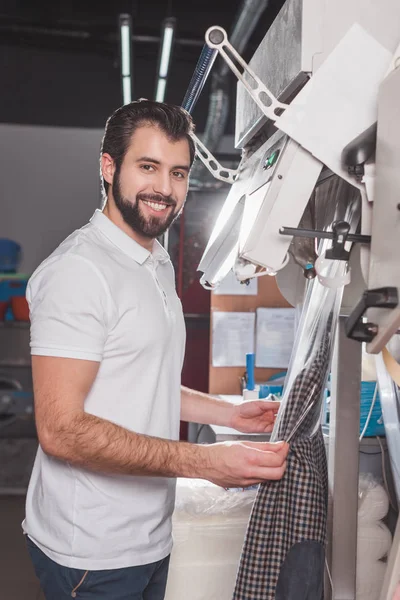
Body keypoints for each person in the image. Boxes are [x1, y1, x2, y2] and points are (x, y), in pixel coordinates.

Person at [23, 99, 289, 600]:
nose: (165, 190)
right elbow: (61, 431)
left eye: (179, 173)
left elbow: (143, 376)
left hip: (150, 535)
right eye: (148, 167)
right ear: (108, 167)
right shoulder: (79, 273)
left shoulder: (155, 259)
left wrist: (231, 413)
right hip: (93, 552)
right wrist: (207, 463)